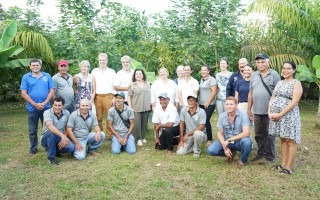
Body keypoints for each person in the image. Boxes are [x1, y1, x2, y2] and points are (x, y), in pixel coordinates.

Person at [268, 61, 303, 175]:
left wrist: (281, 113)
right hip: (277, 115)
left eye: (289, 68)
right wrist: (269, 111)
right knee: (283, 139)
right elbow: (273, 97)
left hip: (289, 116)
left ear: (293, 70)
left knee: (290, 140)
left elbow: (295, 102)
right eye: (284, 68)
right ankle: (282, 164)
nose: (285, 70)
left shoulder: (296, 83)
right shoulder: (279, 82)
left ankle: (288, 167)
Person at [248, 53, 281, 162]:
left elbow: (279, 93)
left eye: (263, 62)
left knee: (270, 134)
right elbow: (251, 93)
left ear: (268, 62)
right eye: (258, 62)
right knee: (258, 134)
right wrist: (249, 109)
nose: (260, 64)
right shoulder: (254, 75)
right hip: (257, 110)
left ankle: (270, 156)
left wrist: (277, 110)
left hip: (270, 111)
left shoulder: (274, 74)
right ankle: (260, 153)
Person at [20, 58, 55, 156]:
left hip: (46, 107)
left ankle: (48, 146)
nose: (35, 67)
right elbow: (23, 93)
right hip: (32, 108)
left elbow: (52, 90)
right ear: (30, 66)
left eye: (37, 65)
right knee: (32, 130)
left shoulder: (46, 76)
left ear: (40, 66)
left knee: (49, 128)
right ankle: (33, 148)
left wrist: (45, 102)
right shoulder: (26, 77)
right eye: (33, 65)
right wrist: (35, 104)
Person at [207, 97, 252, 168]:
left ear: (236, 105)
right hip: (226, 141)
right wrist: (225, 147)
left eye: (231, 104)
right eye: (227, 104)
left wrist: (229, 140)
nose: (229, 106)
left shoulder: (243, 115)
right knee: (211, 150)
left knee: (247, 142)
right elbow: (219, 133)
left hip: (239, 141)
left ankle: (242, 160)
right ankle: (231, 153)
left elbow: (246, 133)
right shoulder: (222, 116)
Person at [41, 97, 75, 165]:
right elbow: (50, 126)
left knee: (71, 148)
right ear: (52, 105)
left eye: (59, 105)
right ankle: (51, 158)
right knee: (52, 134)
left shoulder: (67, 113)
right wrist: (63, 136)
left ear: (63, 106)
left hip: (60, 137)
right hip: (47, 138)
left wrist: (64, 137)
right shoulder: (47, 112)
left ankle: (53, 150)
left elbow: (66, 127)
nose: (57, 107)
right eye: (55, 105)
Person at [91, 53, 116, 139]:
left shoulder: (112, 72)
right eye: (100, 60)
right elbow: (92, 85)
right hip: (97, 96)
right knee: (98, 117)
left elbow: (115, 85)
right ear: (98, 61)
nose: (102, 62)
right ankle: (100, 133)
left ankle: (109, 135)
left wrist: (114, 97)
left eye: (104, 60)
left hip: (108, 96)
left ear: (107, 61)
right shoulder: (94, 71)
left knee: (109, 116)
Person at [127, 69, 151, 146]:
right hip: (136, 107)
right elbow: (129, 97)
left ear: (143, 75)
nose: (138, 75)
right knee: (137, 124)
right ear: (134, 76)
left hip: (146, 107)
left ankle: (143, 137)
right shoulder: (132, 85)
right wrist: (130, 107)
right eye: (136, 74)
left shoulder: (147, 84)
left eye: (140, 74)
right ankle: (138, 139)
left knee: (144, 123)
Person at [199, 65, 217, 146]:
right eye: (202, 70)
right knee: (201, 121)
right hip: (201, 104)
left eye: (205, 70)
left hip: (209, 104)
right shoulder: (202, 80)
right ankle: (204, 137)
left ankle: (209, 139)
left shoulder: (212, 79)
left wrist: (208, 102)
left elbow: (214, 92)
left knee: (206, 120)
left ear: (208, 71)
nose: (203, 71)